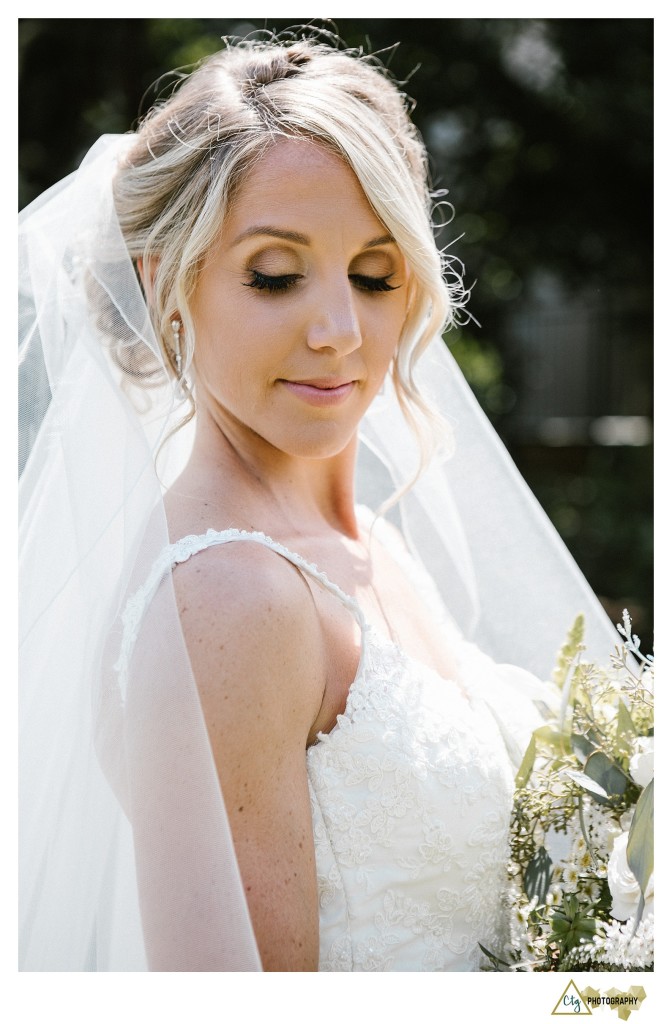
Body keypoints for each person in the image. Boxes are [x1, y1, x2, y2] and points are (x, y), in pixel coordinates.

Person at [19, 33, 618, 972]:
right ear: (162, 281)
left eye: (374, 276)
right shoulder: (230, 597)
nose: (339, 331)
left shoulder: (367, 541)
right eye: (275, 274)